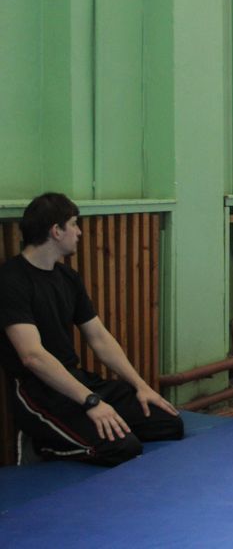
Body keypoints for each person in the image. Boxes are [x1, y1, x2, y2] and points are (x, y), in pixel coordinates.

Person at [0, 193, 183, 466]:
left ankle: (91, 428)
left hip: (76, 380)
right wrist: (91, 403)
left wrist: (140, 386)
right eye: (74, 224)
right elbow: (32, 356)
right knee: (122, 447)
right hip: (39, 392)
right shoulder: (11, 280)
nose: (79, 232)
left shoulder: (67, 278)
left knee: (168, 423)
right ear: (56, 230)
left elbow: (99, 338)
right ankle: (42, 446)